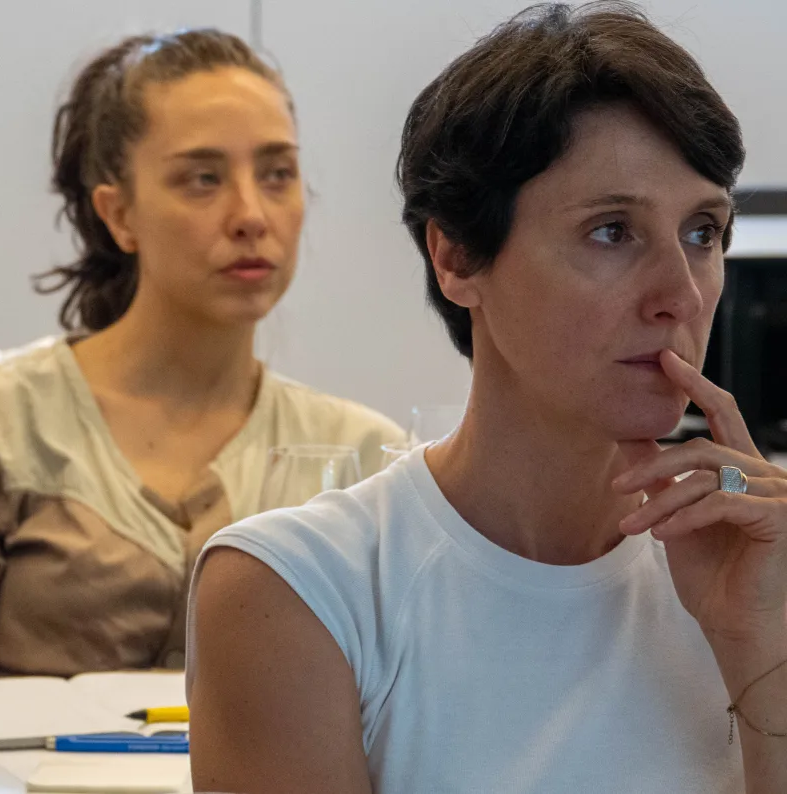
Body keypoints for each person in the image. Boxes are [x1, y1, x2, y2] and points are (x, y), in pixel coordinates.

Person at [189, 3, 787, 791]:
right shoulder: (303, 589)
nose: (680, 293)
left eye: (703, 232)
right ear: (458, 255)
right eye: (612, 230)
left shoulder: (763, 563)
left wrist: (766, 654)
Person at [0, 28, 405, 680]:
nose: (250, 214)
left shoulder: (365, 458)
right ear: (118, 214)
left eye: (278, 174)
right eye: (202, 179)